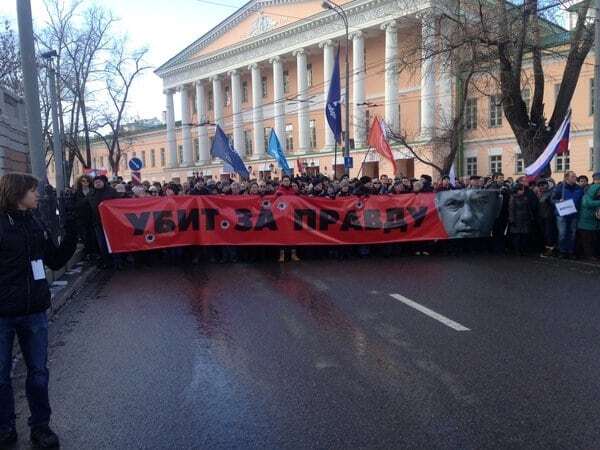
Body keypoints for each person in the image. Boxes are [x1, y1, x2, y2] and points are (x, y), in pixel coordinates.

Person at [0, 173, 77, 448]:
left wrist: (72, 232)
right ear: (16, 193)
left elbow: (54, 259)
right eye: (32, 191)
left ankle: (40, 427)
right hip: (3, 314)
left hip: (34, 311)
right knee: (1, 376)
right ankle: (5, 427)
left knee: (39, 372)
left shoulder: (35, 223)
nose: (37, 195)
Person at [88, 175, 120, 268]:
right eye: (95, 182)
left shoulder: (112, 191)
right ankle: (107, 261)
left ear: (103, 182)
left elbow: (118, 203)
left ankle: (117, 261)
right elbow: (86, 206)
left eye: (99, 182)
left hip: (111, 222)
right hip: (98, 222)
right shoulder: (91, 193)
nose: (97, 183)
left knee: (114, 242)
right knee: (102, 244)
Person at [552, 171, 584, 258]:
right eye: (573, 176)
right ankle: (562, 251)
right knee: (562, 233)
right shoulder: (559, 187)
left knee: (572, 233)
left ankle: (570, 251)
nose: (575, 178)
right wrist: (558, 201)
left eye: (575, 176)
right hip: (562, 214)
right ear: (567, 178)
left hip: (573, 214)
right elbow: (552, 199)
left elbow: (581, 200)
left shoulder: (578, 188)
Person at [576, 172, 600, 259]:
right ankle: (589, 255)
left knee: (592, 240)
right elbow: (588, 203)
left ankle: (592, 254)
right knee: (587, 240)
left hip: (592, 223)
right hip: (586, 223)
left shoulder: (592, 192)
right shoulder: (589, 194)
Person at [508, 184, 534, 255]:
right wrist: (512, 220)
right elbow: (511, 209)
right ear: (517, 190)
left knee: (524, 235)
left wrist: (530, 216)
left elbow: (528, 208)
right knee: (517, 235)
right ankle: (517, 250)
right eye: (521, 189)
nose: (523, 191)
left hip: (524, 219)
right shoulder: (513, 198)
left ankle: (522, 249)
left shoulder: (525, 197)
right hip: (517, 219)